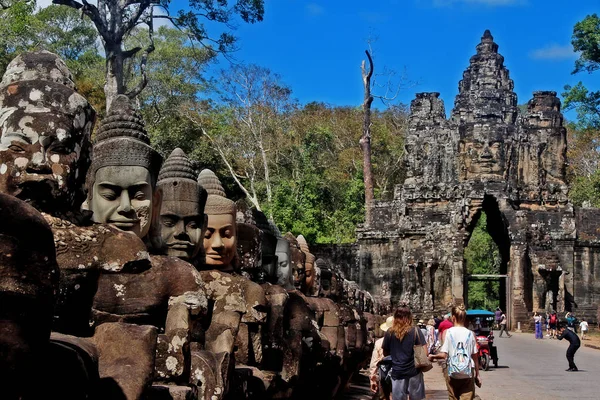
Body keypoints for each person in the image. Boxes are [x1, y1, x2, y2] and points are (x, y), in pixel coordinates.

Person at [429, 304, 481, 400]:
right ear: (465, 317)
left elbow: (444, 355)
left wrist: (432, 356)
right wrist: (478, 374)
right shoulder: (471, 334)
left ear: (453, 318)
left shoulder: (447, 332)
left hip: (452, 371)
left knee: (453, 397)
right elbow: (475, 356)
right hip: (468, 371)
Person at [382, 305, 427, 400]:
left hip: (397, 372)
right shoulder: (415, 331)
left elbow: (385, 353)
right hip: (414, 372)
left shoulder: (389, 332)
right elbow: (425, 352)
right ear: (409, 317)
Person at [370, 316, 393, 400]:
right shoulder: (403, 341)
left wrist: (372, 378)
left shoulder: (379, 342)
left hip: (383, 372)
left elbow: (374, 362)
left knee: (383, 396)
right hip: (400, 372)